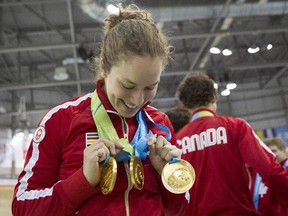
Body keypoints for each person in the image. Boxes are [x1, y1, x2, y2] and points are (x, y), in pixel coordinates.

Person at [12, 4, 187, 216]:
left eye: (150, 87)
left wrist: (165, 174)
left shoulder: (160, 126)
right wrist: (83, 181)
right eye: (128, 86)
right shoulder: (62, 120)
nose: (137, 99)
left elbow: (179, 210)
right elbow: (23, 207)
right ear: (104, 67)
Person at [175, 72, 288, 215]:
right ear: (213, 97)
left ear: (185, 105)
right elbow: (268, 168)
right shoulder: (235, 126)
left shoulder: (177, 141)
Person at [250, 137, 288, 215]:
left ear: (284, 150)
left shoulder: (285, 170)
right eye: (266, 152)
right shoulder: (257, 172)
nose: (271, 155)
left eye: (273, 151)